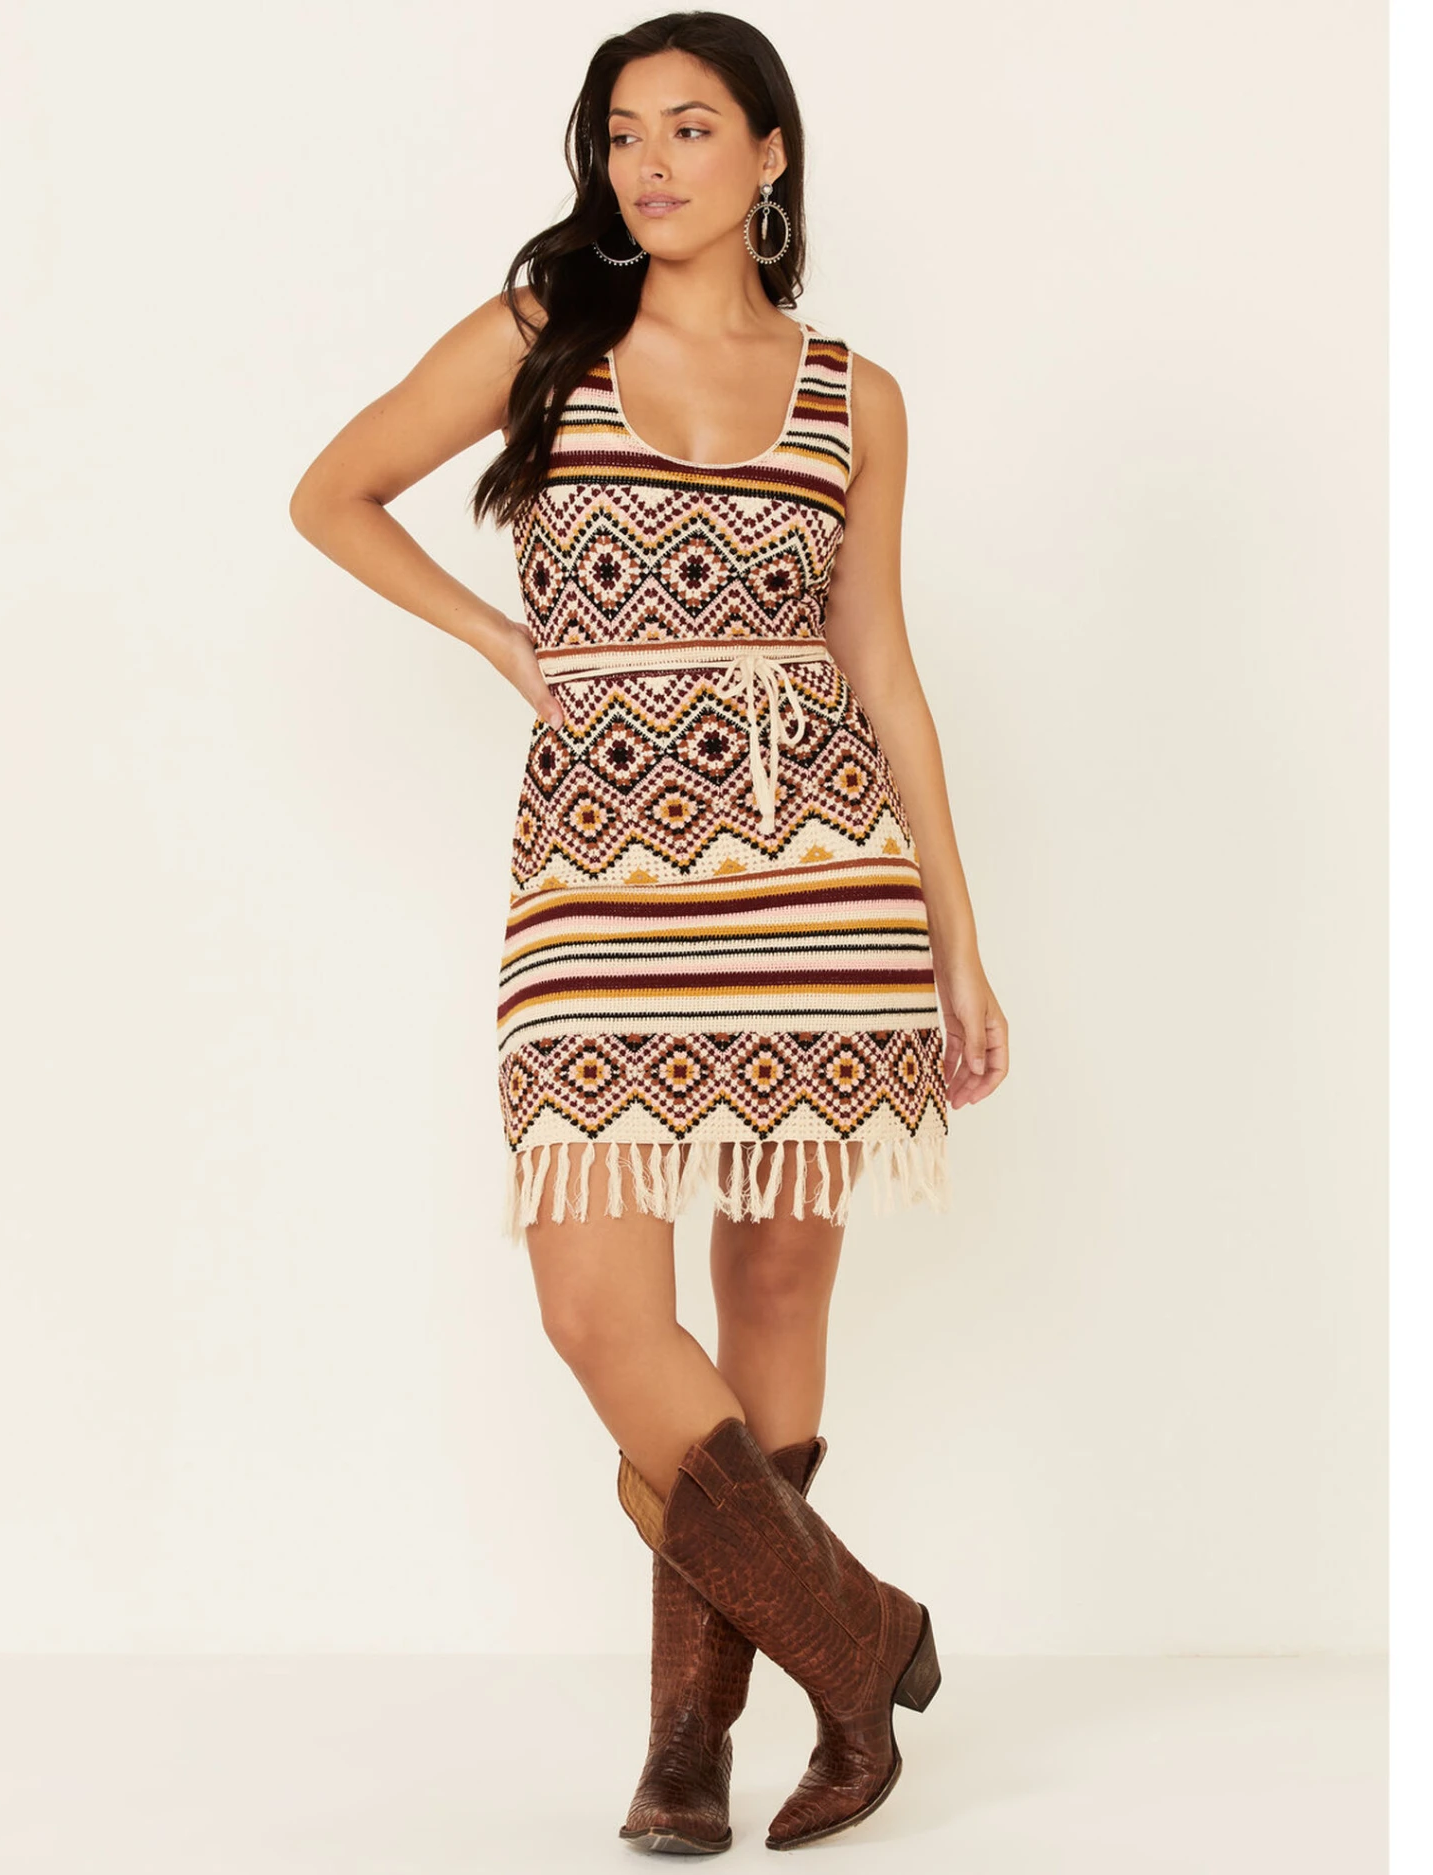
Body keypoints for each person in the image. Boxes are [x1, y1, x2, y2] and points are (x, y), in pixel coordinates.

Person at [290, 8, 1008, 1854]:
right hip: (596, 880)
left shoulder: (857, 394)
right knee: (598, 1306)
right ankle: (861, 1638)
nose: (649, 163)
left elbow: (884, 667)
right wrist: (501, 640)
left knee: (773, 1289)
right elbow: (331, 491)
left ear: (772, 154)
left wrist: (957, 941)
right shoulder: (548, 332)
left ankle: (690, 1744)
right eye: (622, 133)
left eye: (691, 127)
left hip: (821, 880)